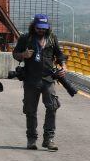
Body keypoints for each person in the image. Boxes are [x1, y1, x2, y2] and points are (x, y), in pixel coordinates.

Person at [12, 14, 67, 151]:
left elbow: (59, 55)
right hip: (31, 79)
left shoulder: (52, 38)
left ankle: (49, 139)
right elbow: (15, 53)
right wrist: (23, 55)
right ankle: (31, 139)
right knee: (30, 111)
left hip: (48, 79)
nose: (41, 31)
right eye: (39, 28)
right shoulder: (26, 38)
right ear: (34, 26)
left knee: (52, 107)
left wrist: (64, 66)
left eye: (44, 28)